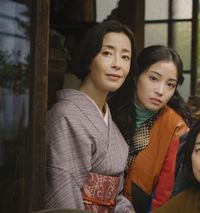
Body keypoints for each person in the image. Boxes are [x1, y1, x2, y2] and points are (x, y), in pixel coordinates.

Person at [45, 20, 137, 213]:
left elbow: (115, 195)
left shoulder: (107, 116)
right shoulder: (66, 115)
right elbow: (65, 193)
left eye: (126, 57)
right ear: (88, 58)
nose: (117, 65)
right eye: (107, 53)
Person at [108, 45, 192, 213]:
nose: (161, 91)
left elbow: (164, 194)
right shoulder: (109, 109)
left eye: (170, 85)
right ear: (136, 76)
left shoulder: (176, 127)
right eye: (153, 78)